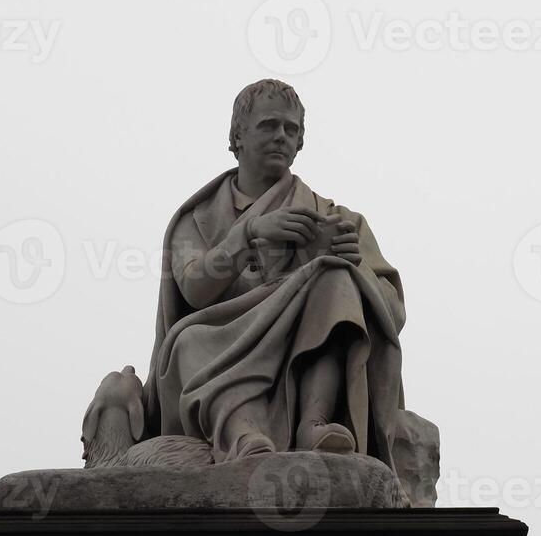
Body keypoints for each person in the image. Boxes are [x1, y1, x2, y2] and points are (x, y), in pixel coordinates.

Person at [143, 79, 407, 469]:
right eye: (268, 125)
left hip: (297, 344)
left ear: (300, 142)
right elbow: (195, 289)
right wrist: (247, 235)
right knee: (188, 342)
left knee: (336, 279)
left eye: (291, 129)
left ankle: (314, 422)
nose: (281, 137)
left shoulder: (336, 218)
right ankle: (242, 434)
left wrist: (357, 268)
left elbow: (393, 312)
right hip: (219, 337)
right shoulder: (196, 219)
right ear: (237, 136)